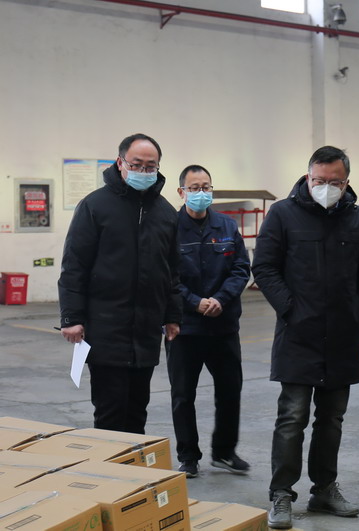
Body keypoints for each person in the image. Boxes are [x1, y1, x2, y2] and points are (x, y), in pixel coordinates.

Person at [252, 146, 359, 530]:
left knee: (331, 419)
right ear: (308, 177)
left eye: (334, 182)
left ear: (346, 182)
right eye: (318, 180)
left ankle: (324, 489)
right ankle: (281, 494)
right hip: (299, 335)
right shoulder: (283, 214)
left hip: (342, 335)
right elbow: (264, 267)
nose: (325, 187)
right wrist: (290, 309)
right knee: (292, 417)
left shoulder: (356, 217)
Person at [58, 133, 181, 434]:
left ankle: (133, 463)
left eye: (150, 166)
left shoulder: (165, 212)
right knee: (110, 413)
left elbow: (173, 270)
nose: (143, 171)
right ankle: (108, 464)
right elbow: (74, 265)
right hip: (105, 329)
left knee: (137, 411)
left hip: (146, 331)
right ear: (120, 162)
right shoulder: (95, 206)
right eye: (136, 164)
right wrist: (72, 318)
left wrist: (172, 315)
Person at [166, 164, 251, 479]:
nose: (201, 193)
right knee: (182, 395)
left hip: (222, 325)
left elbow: (241, 268)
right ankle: (188, 456)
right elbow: (166, 276)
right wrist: (194, 301)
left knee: (230, 391)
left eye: (206, 187)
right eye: (194, 188)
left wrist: (220, 299)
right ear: (181, 192)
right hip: (184, 328)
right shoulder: (170, 228)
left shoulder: (226, 226)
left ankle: (224, 453)